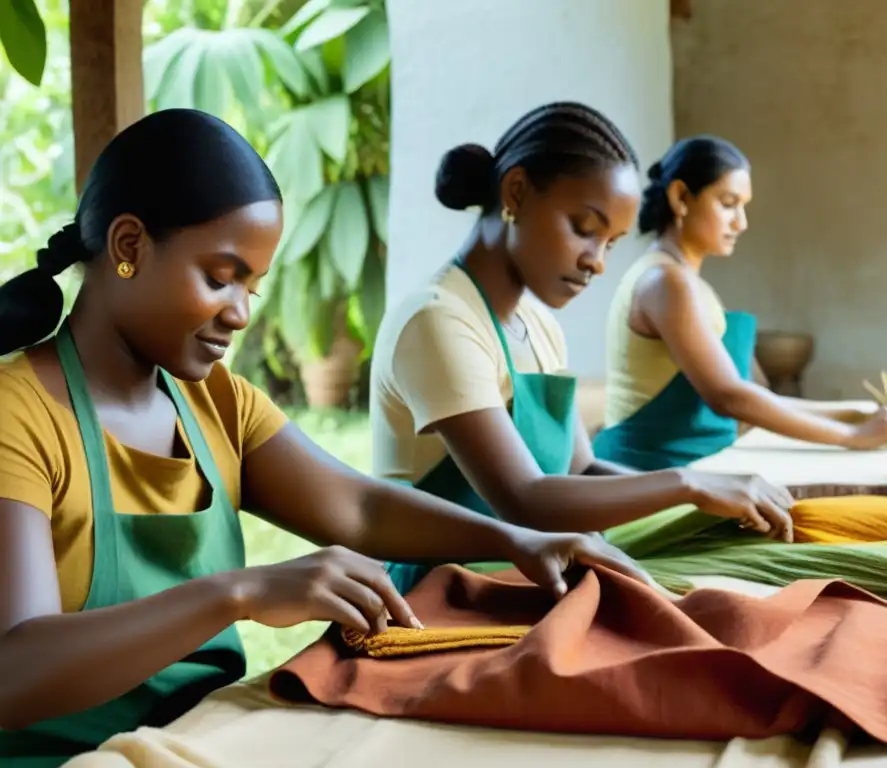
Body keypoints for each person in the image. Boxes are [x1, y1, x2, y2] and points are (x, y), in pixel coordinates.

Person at [0, 109, 659, 767]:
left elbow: (360, 509)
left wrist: (517, 541)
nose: (240, 313)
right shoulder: (17, 415)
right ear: (128, 246)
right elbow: (15, 670)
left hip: (198, 741)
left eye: (253, 286)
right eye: (220, 276)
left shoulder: (216, 403)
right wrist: (242, 592)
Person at [370, 102, 797, 597]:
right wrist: (686, 483)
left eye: (611, 242)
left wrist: (704, 505)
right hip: (441, 596)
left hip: (529, 573)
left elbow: (582, 470)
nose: (596, 263)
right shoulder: (438, 319)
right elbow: (525, 498)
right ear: (516, 192)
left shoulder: (538, 325)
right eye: (584, 228)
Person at [592, 136, 887, 471]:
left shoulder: (685, 283)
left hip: (689, 474)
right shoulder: (666, 282)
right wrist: (852, 436)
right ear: (681, 197)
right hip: (648, 477)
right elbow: (729, 396)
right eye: (728, 203)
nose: (741, 222)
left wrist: (856, 415)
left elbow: (759, 398)